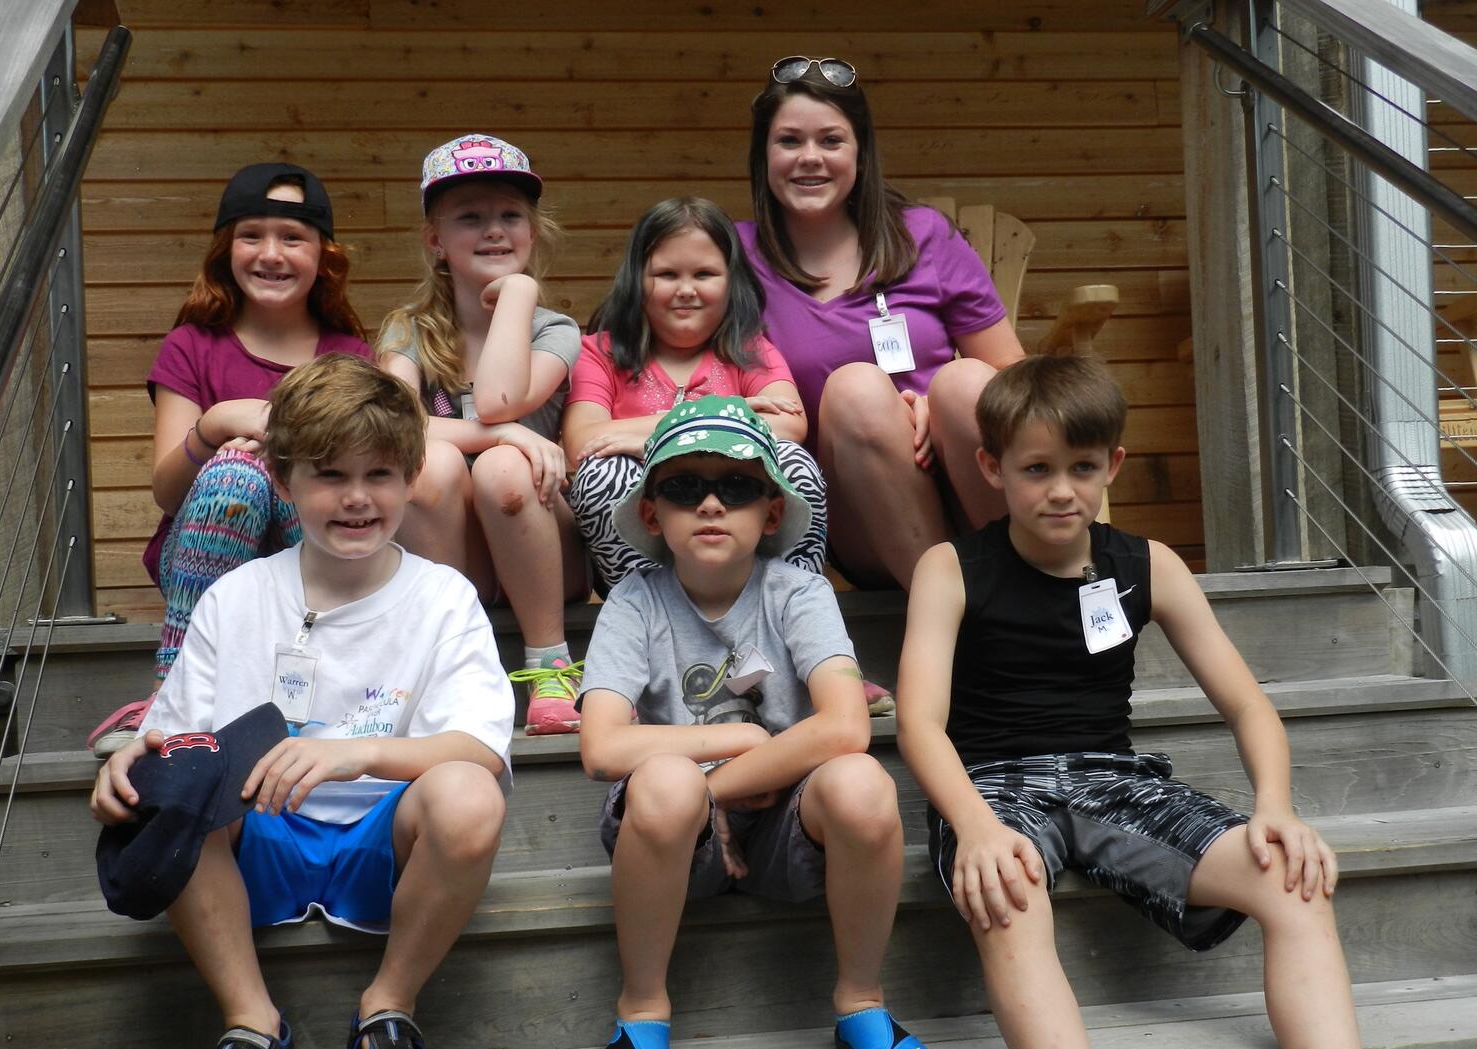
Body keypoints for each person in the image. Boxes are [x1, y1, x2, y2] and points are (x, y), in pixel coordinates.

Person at [896, 355, 1462, 1049]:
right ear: (992, 468)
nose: (1061, 492)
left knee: (1292, 880)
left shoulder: (1146, 563)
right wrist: (974, 826)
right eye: (1037, 470)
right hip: (993, 784)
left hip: (1114, 779)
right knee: (1011, 898)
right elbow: (918, 722)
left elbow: (1248, 706)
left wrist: (1275, 806)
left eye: (1082, 469)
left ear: (1113, 466)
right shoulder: (952, 567)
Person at [89, 354, 513, 1049]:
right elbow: (177, 735)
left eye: (381, 473)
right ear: (283, 484)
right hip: (257, 832)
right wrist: (131, 765)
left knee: (469, 796)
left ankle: (387, 1011)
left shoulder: (443, 597)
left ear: (413, 478)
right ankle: (255, 1032)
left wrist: (357, 754)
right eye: (329, 475)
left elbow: (480, 746)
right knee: (166, 797)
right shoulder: (237, 595)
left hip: (384, 837)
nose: (357, 497)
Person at [577, 394, 934, 1049]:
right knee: (666, 785)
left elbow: (845, 726)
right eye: (684, 488)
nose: (710, 505)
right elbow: (601, 746)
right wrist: (738, 741)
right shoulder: (634, 601)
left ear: (770, 513)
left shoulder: (796, 590)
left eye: (736, 487)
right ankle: (641, 1011)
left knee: (862, 784)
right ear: (653, 514)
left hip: (780, 828)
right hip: (673, 838)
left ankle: (861, 1000)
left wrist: (719, 785)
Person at [87, 163, 373, 757]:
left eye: (293, 238)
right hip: (205, 556)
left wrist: (279, 447)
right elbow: (168, 493)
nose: (271, 253)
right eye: (252, 235)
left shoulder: (348, 355)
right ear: (226, 249)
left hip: (310, 558)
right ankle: (174, 693)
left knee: (278, 470)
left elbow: (357, 481)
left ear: (324, 255)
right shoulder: (192, 346)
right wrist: (213, 427)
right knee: (235, 471)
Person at [740, 56, 1025, 591]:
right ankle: (952, 611)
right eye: (789, 141)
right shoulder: (734, 256)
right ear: (763, 155)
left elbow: (1011, 367)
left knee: (966, 382)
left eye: (830, 141)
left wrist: (936, 408)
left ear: (861, 153)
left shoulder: (923, 234)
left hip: (969, 477)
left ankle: (1026, 586)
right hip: (860, 504)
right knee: (856, 391)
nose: (810, 159)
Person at [377, 133, 587, 736]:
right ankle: (451, 658)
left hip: (544, 543)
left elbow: (498, 400)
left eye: (510, 215)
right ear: (435, 240)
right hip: (455, 547)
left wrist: (517, 296)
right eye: (470, 217)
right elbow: (397, 423)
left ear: (533, 230)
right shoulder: (408, 329)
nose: (494, 230)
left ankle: (551, 665)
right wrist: (507, 436)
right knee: (429, 462)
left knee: (501, 471)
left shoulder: (555, 330)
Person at [564, 196, 826, 588]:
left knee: (792, 463)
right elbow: (584, 442)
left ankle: (793, 602)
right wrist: (724, 414)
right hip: (648, 534)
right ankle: (647, 609)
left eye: (704, 274)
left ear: (731, 280)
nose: (686, 290)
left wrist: (643, 436)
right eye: (667, 275)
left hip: (738, 525)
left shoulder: (748, 350)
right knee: (601, 472)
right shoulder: (600, 351)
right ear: (636, 278)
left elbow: (790, 423)